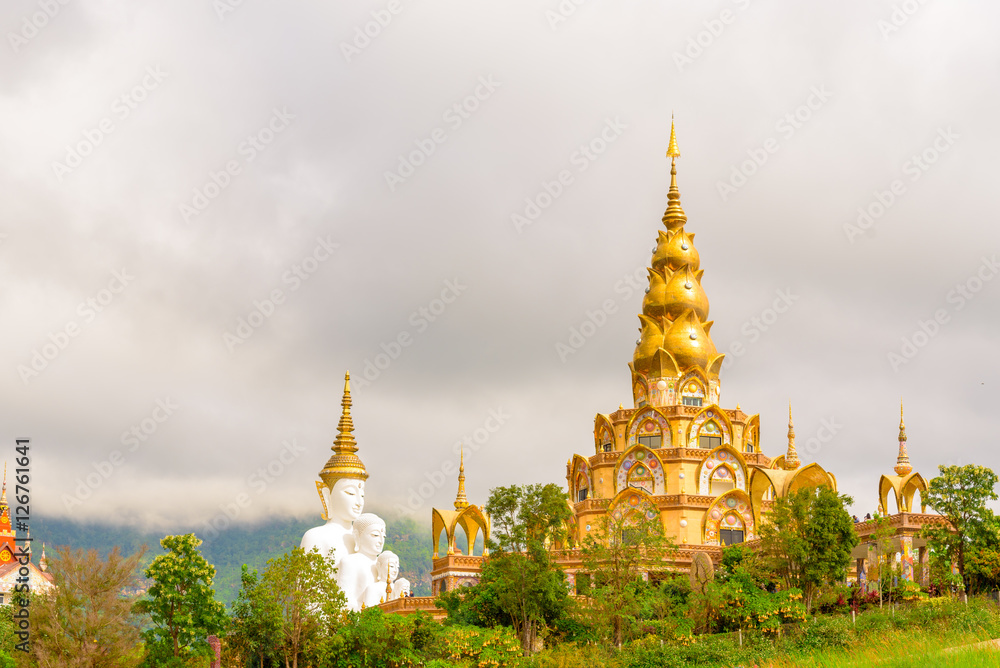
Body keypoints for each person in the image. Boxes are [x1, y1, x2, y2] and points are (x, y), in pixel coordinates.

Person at [300, 478, 366, 571]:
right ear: (327, 495)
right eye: (351, 493)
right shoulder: (315, 536)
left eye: (362, 495)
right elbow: (306, 583)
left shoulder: (365, 537)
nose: (359, 502)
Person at [337, 513, 386, 611]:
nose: (381, 540)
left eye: (384, 536)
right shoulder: (350, 562)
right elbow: (345, 600)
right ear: (357, 536)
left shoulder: (383, 564)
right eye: (375, 535)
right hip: (359, 619)